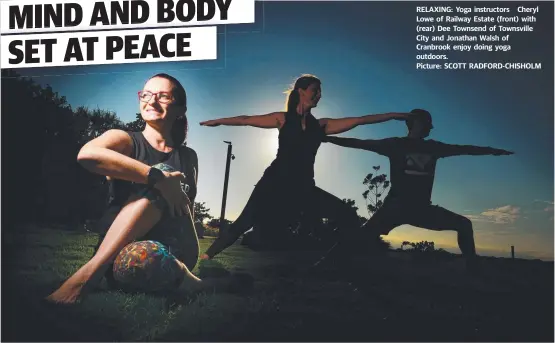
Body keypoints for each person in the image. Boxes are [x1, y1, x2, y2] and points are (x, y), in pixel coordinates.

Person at [46, 73, 250, 304]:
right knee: (162, 174)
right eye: (146, 94)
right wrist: (157, 177)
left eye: (163, 96)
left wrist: (171, 190)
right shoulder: (123, 139)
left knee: (166, 176)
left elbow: (186, 207)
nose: (151, 101)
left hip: (176, 251)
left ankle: (86, 281)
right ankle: (198, 285)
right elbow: (87, 155)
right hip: (123, 255)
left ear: (180, 109)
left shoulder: (188, 157)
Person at [199, 74, 412, 259]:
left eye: (320, 92)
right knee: (243, 223)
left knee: (345, 213)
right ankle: (206, 257)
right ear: (301, 91)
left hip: (304, 187)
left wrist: (394, 115)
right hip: (275, 181)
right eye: (315, 91)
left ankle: (335, 261)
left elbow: (361, 120)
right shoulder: (282, 119)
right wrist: (218, 121)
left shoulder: (321, 125)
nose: (319, 95)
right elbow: (246, 119)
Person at [320, 109, 514, 270]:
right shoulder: (395, 144)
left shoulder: (435, 147)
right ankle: (326, 264)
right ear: (418, 123)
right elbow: (360, 144)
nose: (431, 127)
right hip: (394, 208)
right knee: (359, 237)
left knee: (464, 225)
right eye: (428, 123)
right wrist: (329, 139)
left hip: (421, 209)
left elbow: (465, 148)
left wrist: (493, 151)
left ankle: (474, 270)